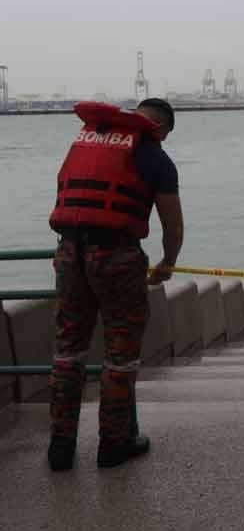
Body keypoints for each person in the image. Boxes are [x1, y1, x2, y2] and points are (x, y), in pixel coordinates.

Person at [47, 98, 184, 471]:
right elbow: (172, 225)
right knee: (120, 352)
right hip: (116, 257)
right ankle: (114, 443)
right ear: (161, 128)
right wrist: (168, 262)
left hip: (69, 252)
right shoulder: (154, 156)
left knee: (68, 348)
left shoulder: (87, 142)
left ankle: (60, 446)